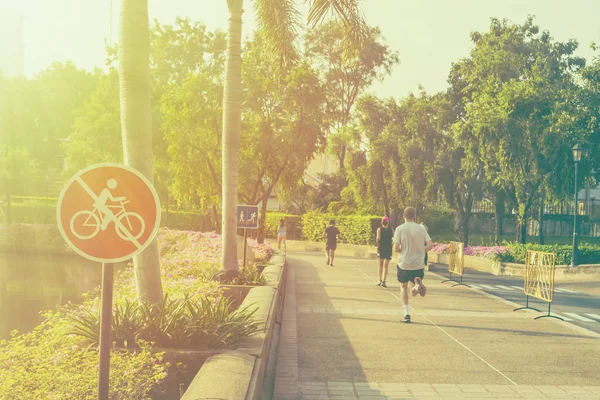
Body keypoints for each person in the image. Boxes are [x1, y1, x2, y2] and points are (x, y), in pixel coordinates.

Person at [394, 207, 433, 323]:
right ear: (414, 216)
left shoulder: (399, 229)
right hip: (418, 264)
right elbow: (430, 245)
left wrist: (404, 248)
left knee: (404, 287)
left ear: (404, 216)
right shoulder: (421, 228)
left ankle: (406, 314)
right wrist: (420, 251)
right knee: (413, 289)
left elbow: (396, 248)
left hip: (404, 263)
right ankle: (417, 286)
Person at [376, 216, 393, 287]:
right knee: (386, 266)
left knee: (380, 265)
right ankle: (384, 281)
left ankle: (379, 280)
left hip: (381, 248)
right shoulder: (391, 230)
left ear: (381, 222)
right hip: (388, 248)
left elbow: (378, 239)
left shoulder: (379, 229)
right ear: (388, 222)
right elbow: (393, 238)